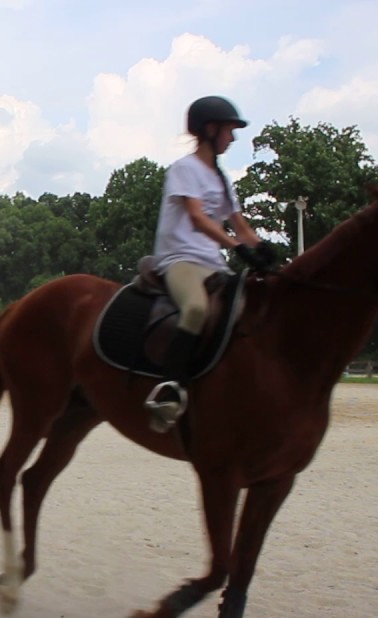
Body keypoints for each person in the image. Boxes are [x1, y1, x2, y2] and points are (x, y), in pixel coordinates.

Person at [144, 95, 274, 432]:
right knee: (197, 310)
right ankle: (169, 390)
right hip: (180, 259)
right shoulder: (185, 169)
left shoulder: (221, 178)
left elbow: (241, 225)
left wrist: (263, 249)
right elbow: (198, 219)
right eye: (230, 130)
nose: (233, 138)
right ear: (210, 129)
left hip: (213, 263)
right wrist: (236, 247)